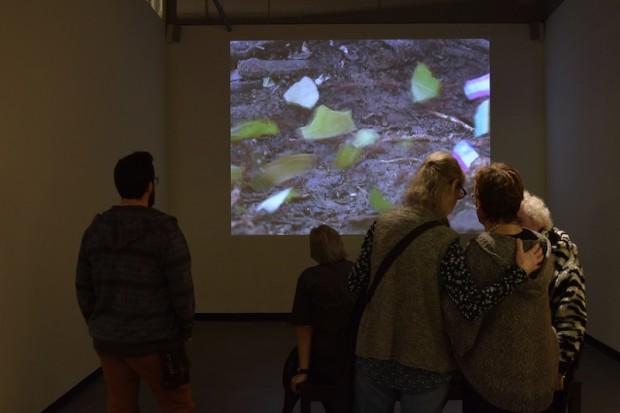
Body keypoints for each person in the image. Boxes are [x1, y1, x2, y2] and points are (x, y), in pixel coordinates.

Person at [347, 152, 544, 413]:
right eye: (460, 192)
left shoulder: (382, 225)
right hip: (424, 360)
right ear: (451, 186)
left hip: (372, 350)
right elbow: (470, 304)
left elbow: (355, 281)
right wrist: (517, 275)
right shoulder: (445, 240)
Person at [76, 151, 195, 413]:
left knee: (120, 407)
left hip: (109, 341)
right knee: (178, 406)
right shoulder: (165, 230)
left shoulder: (95, 230)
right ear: (150, 185)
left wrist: (99, 322)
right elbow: (182, 287)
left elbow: (83, 288)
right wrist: (185, 327)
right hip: (156, 340)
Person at [442, 163, 559, 413]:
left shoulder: (479, 251)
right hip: (539, 372)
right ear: (517, 204)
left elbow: (463, 318)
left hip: (493, 381)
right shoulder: (542, 246)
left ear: (480, 204)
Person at [518, 190, 587, 413]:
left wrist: (560, 367)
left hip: (555, 360)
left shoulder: (560, 257)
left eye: (520, 222)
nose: (515, 228)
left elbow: (571, 316)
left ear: (537, 223)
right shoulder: (530, 252)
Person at [283, 225, 358, 413]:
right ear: (339, 243)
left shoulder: (309, 279)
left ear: (314, 250)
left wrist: (304, 371)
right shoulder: (358, 272)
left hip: (327, 363)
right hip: (357, 360)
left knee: (289, 371)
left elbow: (304, 328)